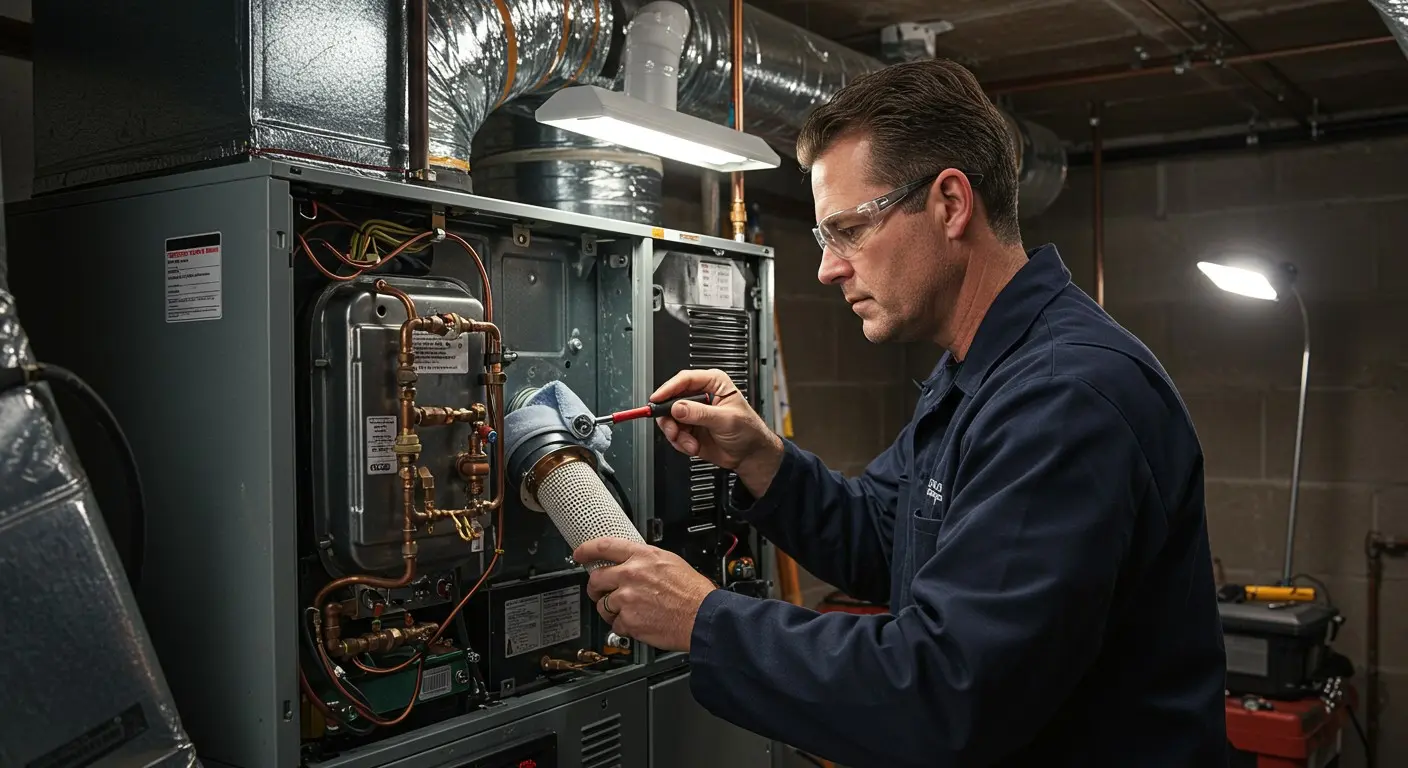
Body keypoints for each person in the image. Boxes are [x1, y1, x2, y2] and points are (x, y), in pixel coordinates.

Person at [573, 58, 1228, 767]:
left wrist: (702, 618)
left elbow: (947, 690)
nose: (828, 267)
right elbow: (888, 541)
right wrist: (762, 459)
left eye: (848, 230)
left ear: (950, 203)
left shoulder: (1062, 397)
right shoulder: (976, 371)